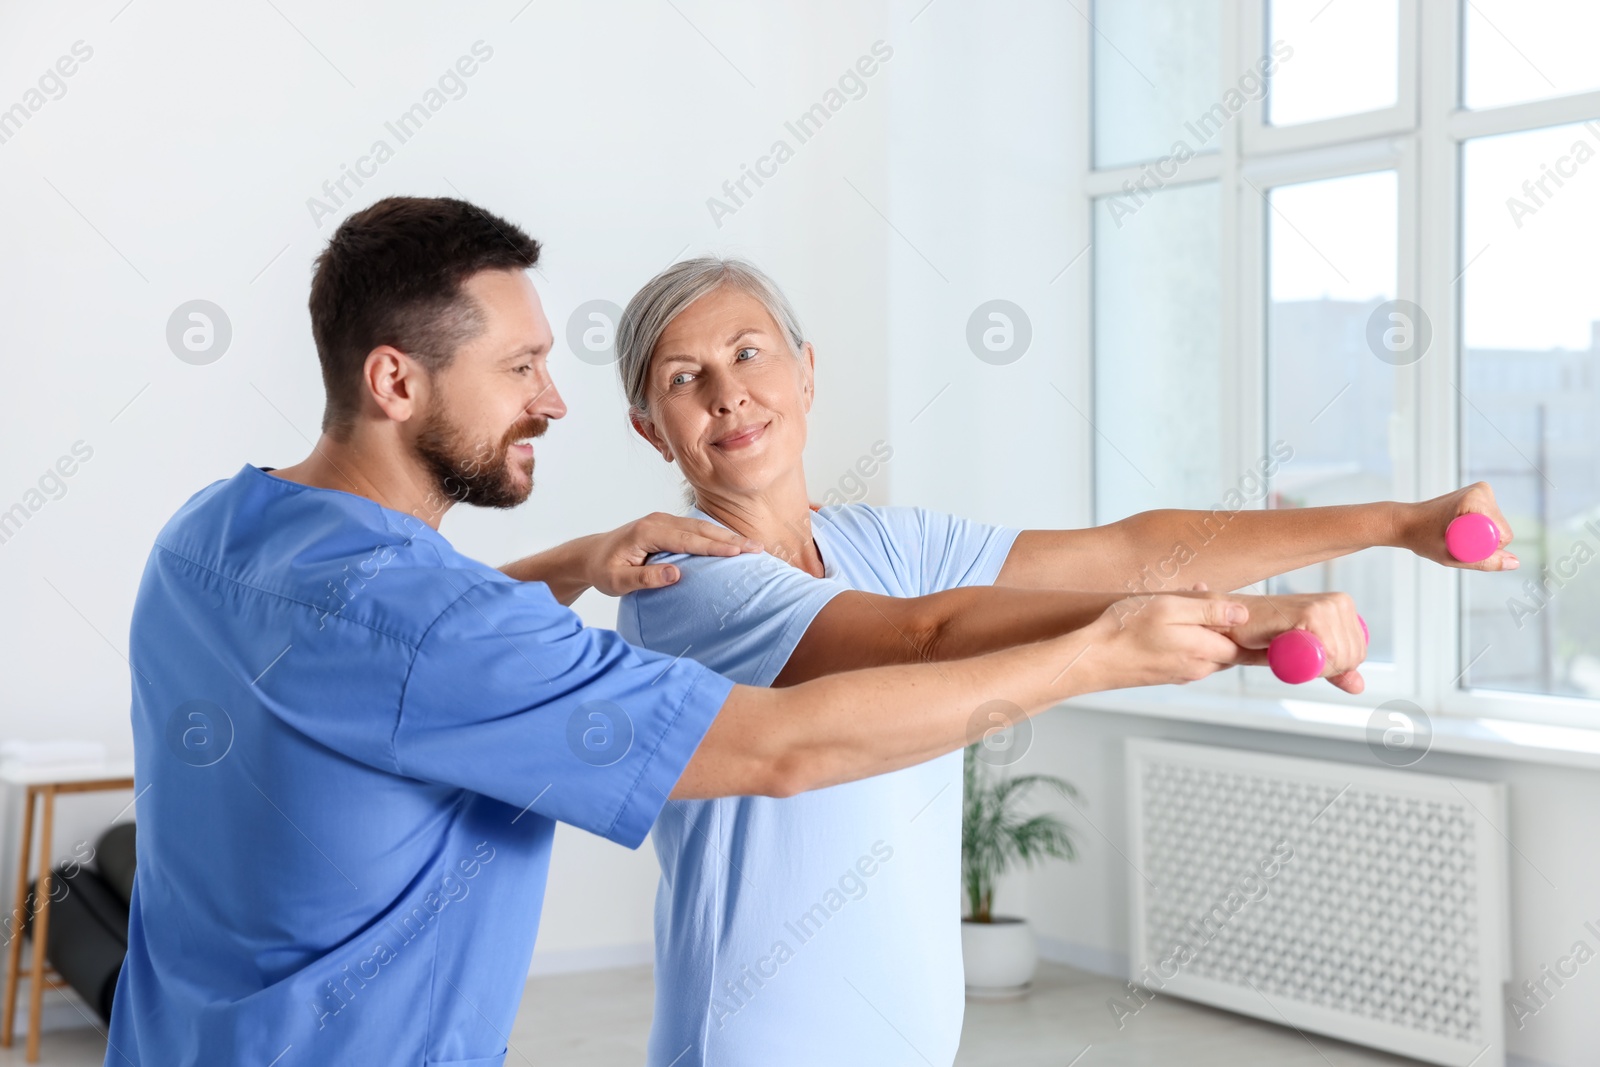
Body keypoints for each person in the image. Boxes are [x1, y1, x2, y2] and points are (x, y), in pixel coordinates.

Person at [105, 198, 1276, 1067]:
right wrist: (1096, 655)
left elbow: (369, 654)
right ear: (397, 382)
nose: (550, 401)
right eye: (519, 367)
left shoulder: (211, 536)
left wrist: (562, 563)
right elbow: (780, 748)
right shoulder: (450, 627)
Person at [612, 256, 1514, 1067]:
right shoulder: (684, 585)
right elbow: (927, 635)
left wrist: (1397, 524)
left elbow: (1130, 553)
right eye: (685, 378)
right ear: (654, 430)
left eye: (749, 353)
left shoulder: (884, 542)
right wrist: (1234, 619)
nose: (728, 393)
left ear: (806, 372)